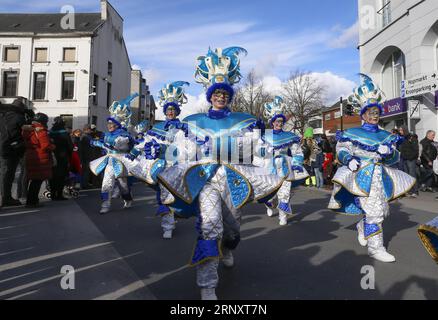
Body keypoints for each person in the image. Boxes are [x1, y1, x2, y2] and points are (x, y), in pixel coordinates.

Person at [157, 47, 283, 300]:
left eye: (225, 93)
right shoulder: (195, 122)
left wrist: (250, 151)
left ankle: (227, 248)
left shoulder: (243, 121)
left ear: (229, 96)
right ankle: (207, 285)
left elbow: (254, 150)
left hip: (234, 179)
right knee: (210, 226)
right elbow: (182, 151)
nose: (221, 97)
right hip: (206, 181)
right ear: (210, 96)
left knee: (233, 230)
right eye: (217, 93)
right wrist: (191, 149)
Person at [328, 74, 416, 263]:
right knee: (375, 212)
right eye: (371, 112)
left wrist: (388, 153)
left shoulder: (385, 135)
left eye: (377, 112)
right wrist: (348, 159)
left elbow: (393, 158)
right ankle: (376, 248)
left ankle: (362, 226)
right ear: (364, 114)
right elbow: (342, 149)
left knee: (381, 211)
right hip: (359, 175)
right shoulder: (352, 133)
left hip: (380, 176)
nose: (374, 115)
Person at [126, 82, 191, 239]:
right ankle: (167, 225)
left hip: (179, 166)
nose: (170, 112)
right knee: (164, 193)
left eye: (172, 110)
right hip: (162, 166)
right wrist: (135, 152)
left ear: (177, 111)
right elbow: (145, 142)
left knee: (179, 194)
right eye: (168, 110)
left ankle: (176, 215)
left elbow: (191, 146)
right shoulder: (157, 127)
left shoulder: (185, 127)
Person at [253, 96, 309, 225]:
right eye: (276, 121)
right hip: (269, 165)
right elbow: (259, 152)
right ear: (272, 122)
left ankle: (283, 215)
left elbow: (297, 152)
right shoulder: (265, 135)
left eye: (280, 121)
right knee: (271, 193)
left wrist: (296, 163)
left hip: (285, 165)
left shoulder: (289, 136)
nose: (279, 124)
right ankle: (270, 204)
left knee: (285, 192)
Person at [89, 94, 137, 214]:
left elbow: (117, 144)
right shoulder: (107, 134)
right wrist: (95, 142)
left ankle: (128, 199)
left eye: (112, 124)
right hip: (110, 160)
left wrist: (100, 143)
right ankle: (106, 204)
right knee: (106, 182)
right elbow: (102, 142)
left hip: (121, 161)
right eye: (109, 123)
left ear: (117, 124)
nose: (110, 126)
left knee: (123, 185)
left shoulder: (124, 135)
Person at [22, 113, 55, 208]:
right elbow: (45, 146)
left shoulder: (28, 130)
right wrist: (53, 145)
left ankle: (31, 200)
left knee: (34, 180)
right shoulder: (41, 131)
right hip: (40, 158)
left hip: (31, 156)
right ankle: (32, 202)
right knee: (37, 181)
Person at [0, 99, 27, 207]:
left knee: (5, 173)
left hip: (3, 148)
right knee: (8, 174)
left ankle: (5, 197)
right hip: (12, 149)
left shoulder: (3, 116)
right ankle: (6, 198)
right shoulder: (18, 117)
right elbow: (26, 132)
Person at [49, 117, 73, 201]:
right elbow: (70, 147)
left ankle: (52, 194)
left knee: (52, 176)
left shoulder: (50, 132)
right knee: (61, 177)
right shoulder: (65, 133)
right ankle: (59, 194)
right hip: (62, 158)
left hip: (52, 157)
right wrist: (70, 156)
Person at [399, 131, 420, 197]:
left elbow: (416, 150)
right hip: (404, 159)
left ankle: (415, 191)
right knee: (407, 175)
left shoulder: (413, 139)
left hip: (410, 160)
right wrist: (403, 156)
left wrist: (410, 157)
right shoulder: (404, 139)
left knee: (412, 175)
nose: (400, 132)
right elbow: (403, 149)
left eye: (401, 130)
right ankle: (409, 190)